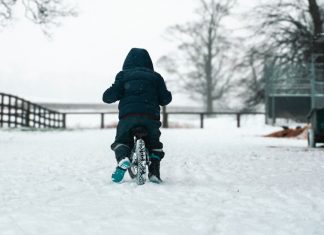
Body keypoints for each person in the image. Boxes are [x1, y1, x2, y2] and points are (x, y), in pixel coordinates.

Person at [102, 48, 172, 183]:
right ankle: (154, 172)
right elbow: (165, 99)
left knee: (122, 141)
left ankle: (123, 159)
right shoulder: (156, 77)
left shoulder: (123, 75)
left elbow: (108, 97)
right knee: (155, 145)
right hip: (150, 117)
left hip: (128, 117)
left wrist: (113, 93)